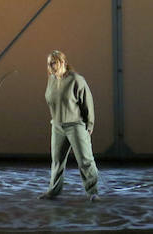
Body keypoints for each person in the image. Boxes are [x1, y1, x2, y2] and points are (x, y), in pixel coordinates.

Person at [38, 50, 100, 201]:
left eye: (54, 62)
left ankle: (93, 192)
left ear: (63, 62)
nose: (51, 66)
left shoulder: (76, 79)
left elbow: (87, 103)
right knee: (57, 161)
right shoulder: (51, 80)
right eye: (49, 63)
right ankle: (54, 191)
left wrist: (89, 125)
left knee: (85, 160)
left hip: (75, 125)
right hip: (58, 126)